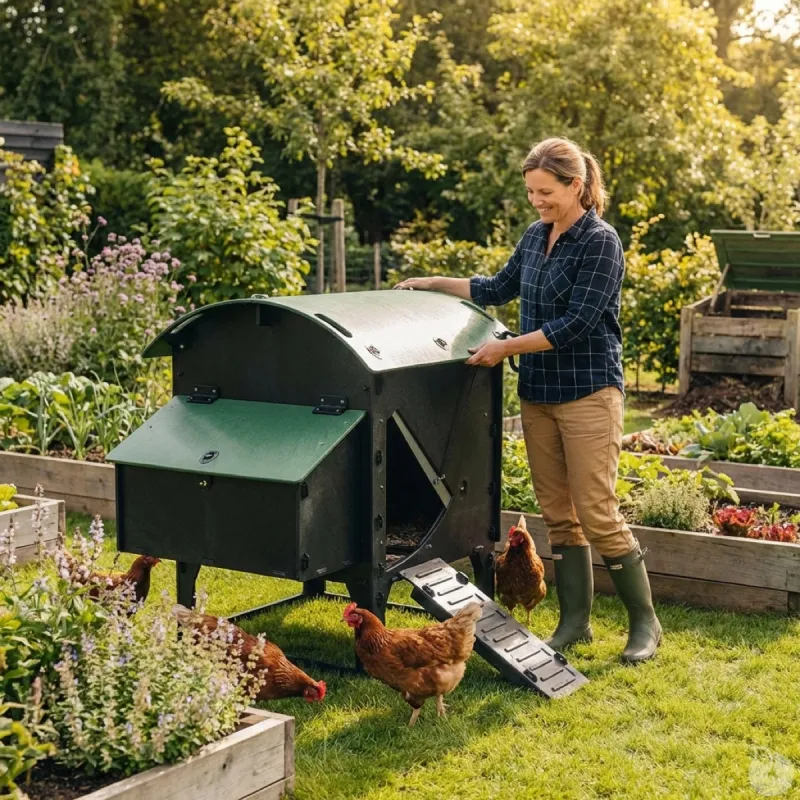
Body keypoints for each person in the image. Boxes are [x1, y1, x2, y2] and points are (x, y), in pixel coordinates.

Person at [395, 137, 662, 663]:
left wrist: (505, 347)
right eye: (532, 193)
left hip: (588, 391)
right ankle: (575, 623)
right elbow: (497, 287)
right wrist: (435, 283)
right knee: (559, 515)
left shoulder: (600, 242)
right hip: (539, 394)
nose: (537, 202)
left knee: (597, 510)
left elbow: (578, 324)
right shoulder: (536, 235)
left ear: (576, 186)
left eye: (545, 192)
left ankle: (645, 624)